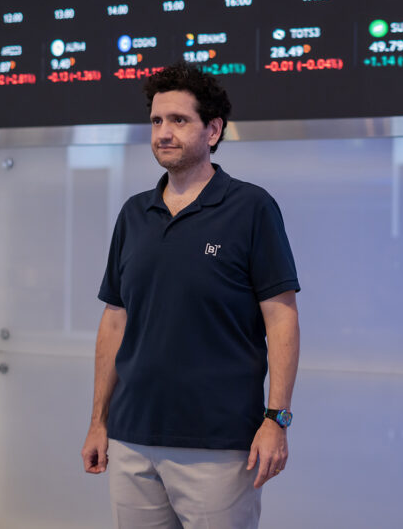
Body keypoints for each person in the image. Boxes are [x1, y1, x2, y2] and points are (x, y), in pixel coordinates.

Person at [81, 62, 300, 529]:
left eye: (179, 120)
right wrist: (99, 420)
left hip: (218, 446)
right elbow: (115, 319)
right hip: (131, 439)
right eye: (157, 121)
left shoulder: (251, 208)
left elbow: (281, 318)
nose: (164, 133)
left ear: (213, 130)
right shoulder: (133, 214)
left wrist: (276, 419)